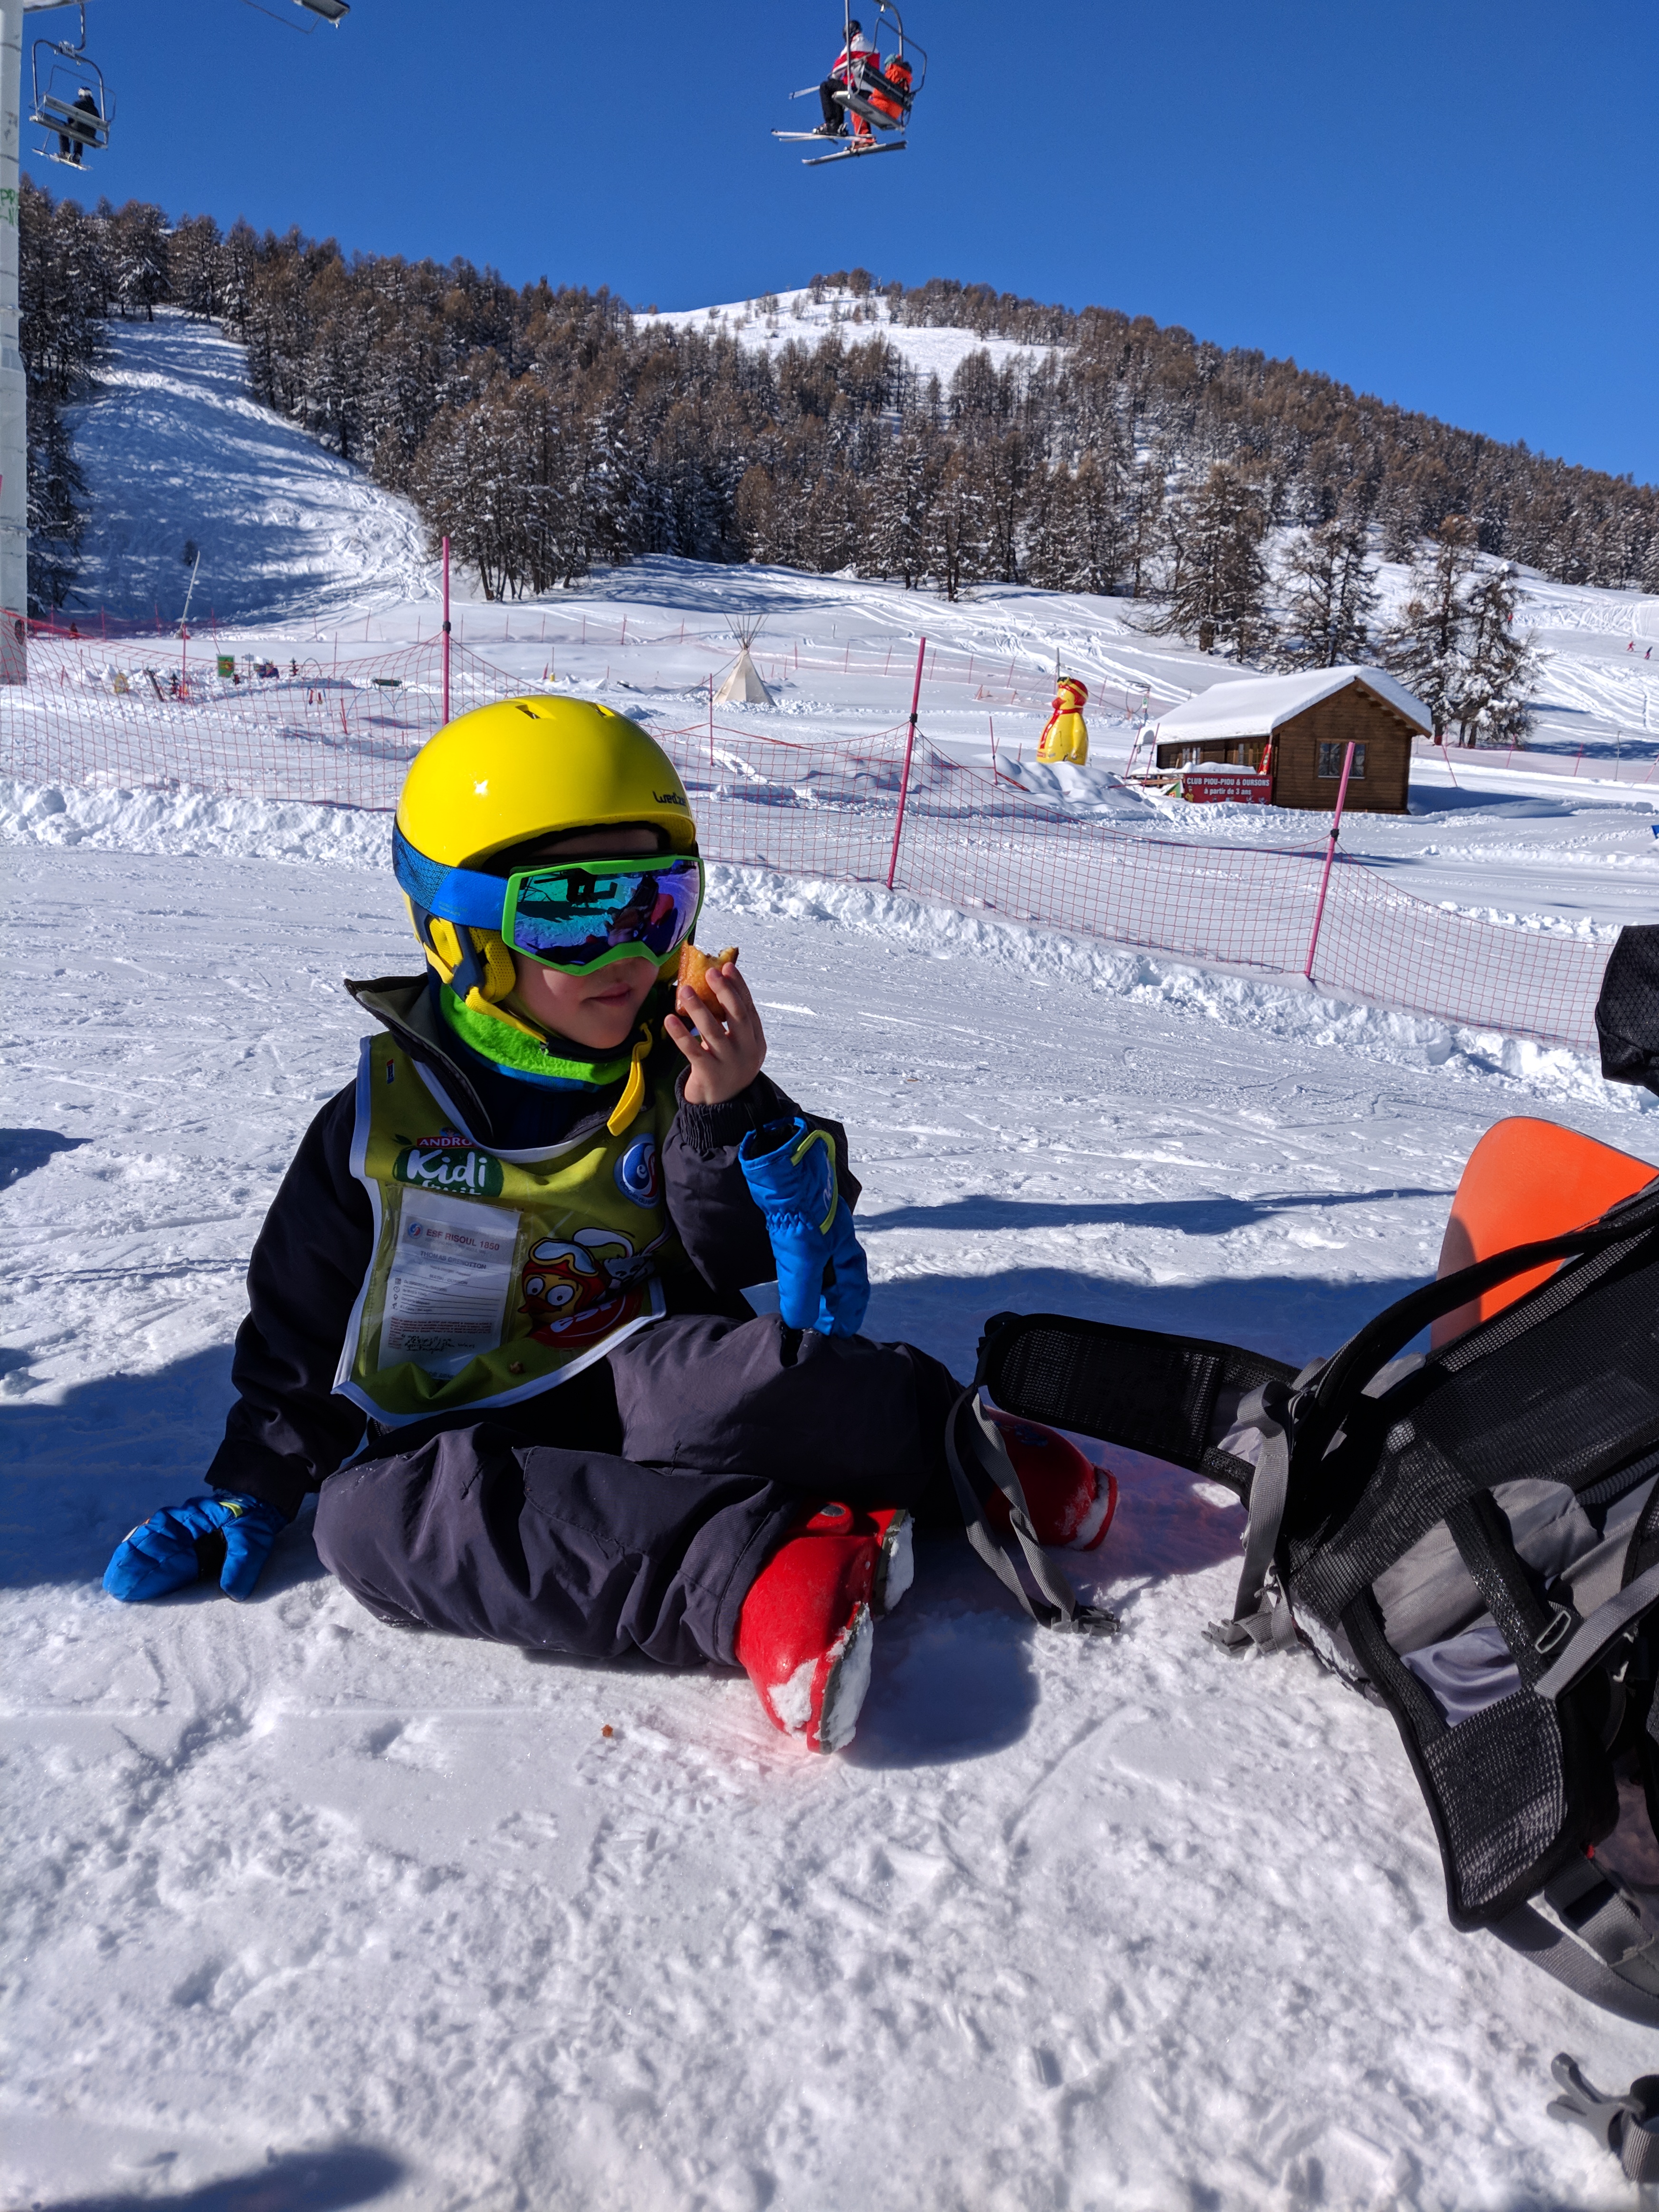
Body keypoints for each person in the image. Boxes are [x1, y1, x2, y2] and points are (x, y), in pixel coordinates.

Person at [100, 697, 977, 1755]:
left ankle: (966, 1451)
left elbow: (763, 1287)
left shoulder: (680, 1071)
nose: (627, 950)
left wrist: (724, 1118)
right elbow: (302, 1323)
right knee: (367, 1525)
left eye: (657, 903)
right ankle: (761, 1575)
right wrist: (256, 1480)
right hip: (449, 1422)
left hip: (630, 1356)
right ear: (459, 930)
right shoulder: (380, 1128)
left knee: (743, 1381)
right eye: (571, 912)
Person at [816, 18, 877, 136]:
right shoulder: (873, 49)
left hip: (856, 87)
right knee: (839, 91)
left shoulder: (854, 45)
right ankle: (860, 133)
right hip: (869, 91)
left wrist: (835, 78)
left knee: (826, 87)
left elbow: (837, 70)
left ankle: (833, 124)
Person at [1037, 677, 1090, 767]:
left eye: (1062, 695)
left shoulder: (1075, 716)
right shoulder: (1057, 715)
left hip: (1064, 760)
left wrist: (1077, 750)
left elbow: (1080, 732)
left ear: (1076, 699)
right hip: (1045, 758)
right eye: (1059, 695)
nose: (1058, 699)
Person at [58, 85, 99, 165]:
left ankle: (65, 153)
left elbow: (70, 117)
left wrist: (71, 122)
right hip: (91, 133)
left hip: (78, 128)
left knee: (64, 129)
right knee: (80, 134)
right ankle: (77, 156)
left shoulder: (79, 104)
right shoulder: (95, 110)